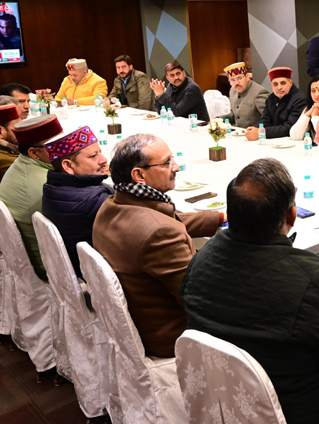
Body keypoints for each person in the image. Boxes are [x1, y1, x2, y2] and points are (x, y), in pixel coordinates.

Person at [182, 158, 319, 424]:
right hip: (297, 411)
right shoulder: (310, 277)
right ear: (291, 216)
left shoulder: (201, 257)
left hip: (224, 400)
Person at [92, 134, 223, 358]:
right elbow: (200, 300)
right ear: (139, 175)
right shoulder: (158, 233)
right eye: (166, 163)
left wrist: (221, 217)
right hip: (173, 337)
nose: (177, 167)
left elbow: (167, 221)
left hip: (141, 319)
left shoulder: (114, 203)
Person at [0, 115, 65, 281]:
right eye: (57, 145)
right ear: (34, 152)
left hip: (34, 251)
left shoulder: (23, 164)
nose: (66, 148)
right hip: (48, 263)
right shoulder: (45, 185)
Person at [42, 126, 113, 278]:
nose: (104, 160)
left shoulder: (52, 186)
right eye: (93, 156)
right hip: (101, 274)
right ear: (68, 166)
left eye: (100, 152)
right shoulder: (94, 200)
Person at [246, 67, 307, 141]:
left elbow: (290, 127)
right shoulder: (271, 98)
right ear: (271, 86)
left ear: (291, 83)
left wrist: (263, 132)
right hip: (275, 139)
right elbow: (265, 120)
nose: (279, 87)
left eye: (283, 83)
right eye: (275, 84)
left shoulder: (300, 99)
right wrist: (257, 128)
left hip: (293, 141)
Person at [220, 62, 269, 128]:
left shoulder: (259, 92)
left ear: (247, 77)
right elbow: (234, 116)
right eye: (232, 80)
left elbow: (269, 119)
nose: (237, 83)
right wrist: (219, 120)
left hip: (257, 135)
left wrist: (256, 129)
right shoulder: (232, 91)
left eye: (239, 78)